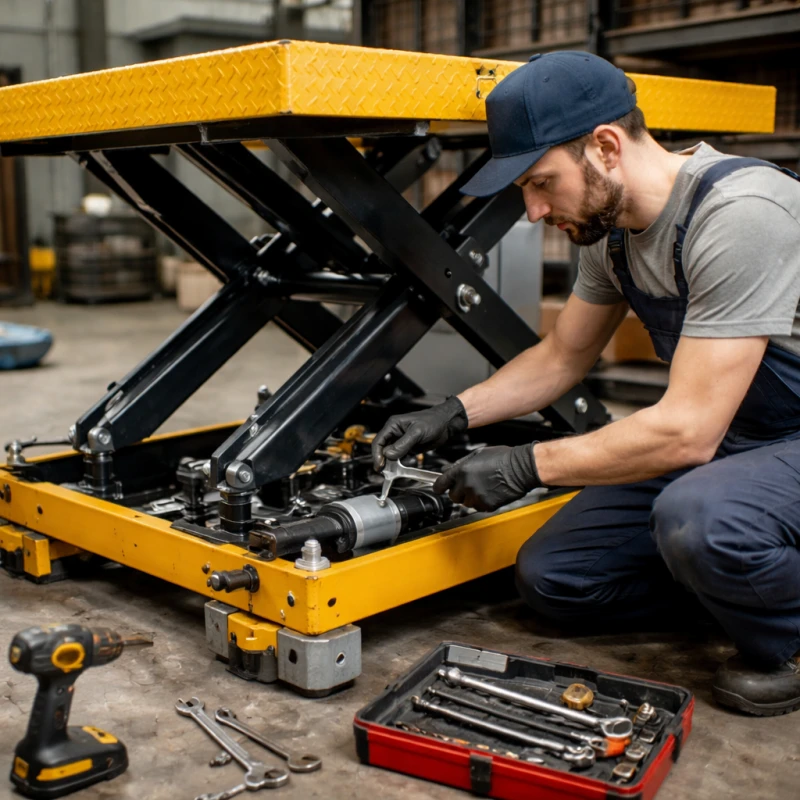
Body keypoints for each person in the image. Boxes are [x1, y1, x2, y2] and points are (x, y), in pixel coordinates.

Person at [371, 51, 800, 717]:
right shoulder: (614, 238)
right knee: (555, 580)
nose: (536, 211)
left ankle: (786, 631)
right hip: (741, 437)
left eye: (543, 183)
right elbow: (560, 359)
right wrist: (454, 414)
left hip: (776, 439)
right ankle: (737, 584)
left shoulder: (740, 214)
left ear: (604, 147)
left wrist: (526, 464)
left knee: (700, 521)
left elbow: (688, 431)